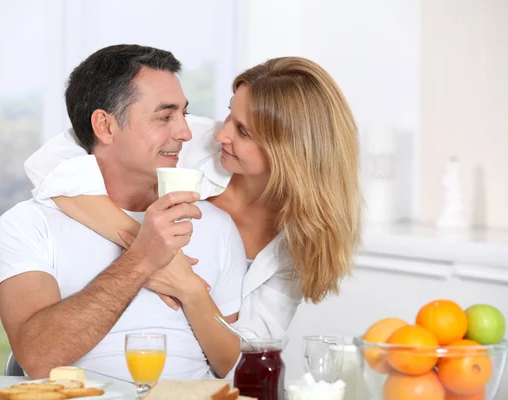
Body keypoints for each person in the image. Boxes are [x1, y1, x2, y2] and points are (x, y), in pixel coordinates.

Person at [25, 56, 363, 349]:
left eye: (242, 131)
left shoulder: (299, 241)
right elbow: (50, 162)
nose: (222, 134)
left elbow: (250, 347)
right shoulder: (191, 140)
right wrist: (142, 242)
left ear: (291, 152)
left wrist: (189, 289)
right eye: (230, 115)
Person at [0, 44, 247, 380]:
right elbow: (38, 358)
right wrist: (141, 259)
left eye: (184, 114)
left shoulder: (216, 226)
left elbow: (233, 367)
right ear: (105, 126)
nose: (184, 133)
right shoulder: (29, 225)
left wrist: (189, 289)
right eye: (165, 117)